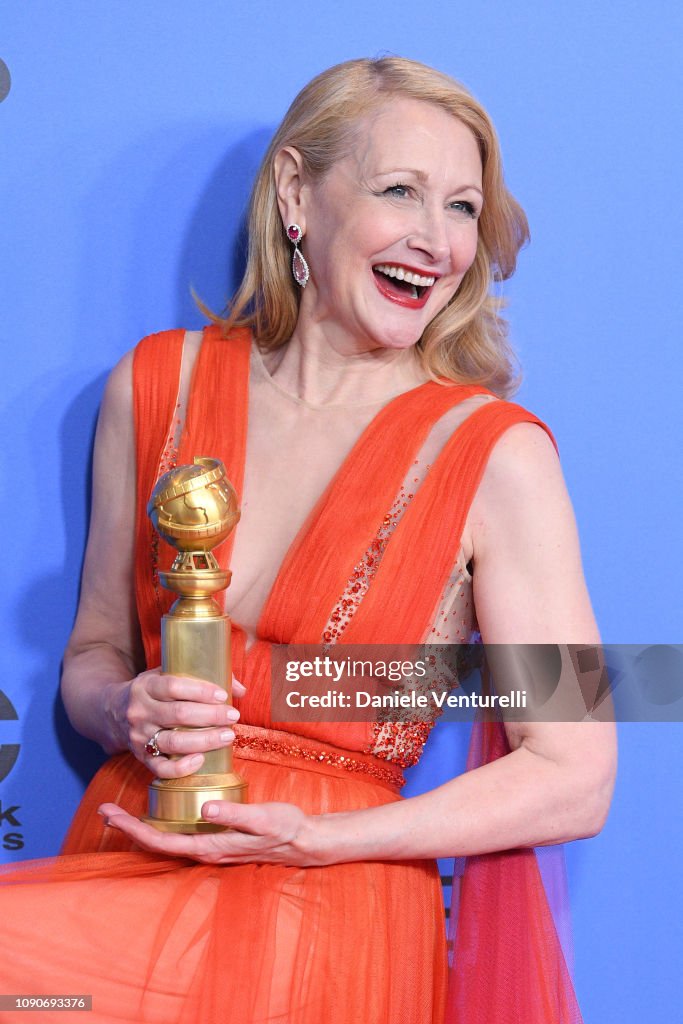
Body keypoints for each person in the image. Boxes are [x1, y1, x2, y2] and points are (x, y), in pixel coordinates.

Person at [0, 56, 615, 1024]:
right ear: (296, 193)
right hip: (132, 850)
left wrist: (315, 839)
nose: (435, 239)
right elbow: (92, 653)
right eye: (398, 191)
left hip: (328, 898)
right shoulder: (155, 385)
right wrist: (122, 707)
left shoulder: (498, 455)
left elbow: (572, 776)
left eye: (461, 207)